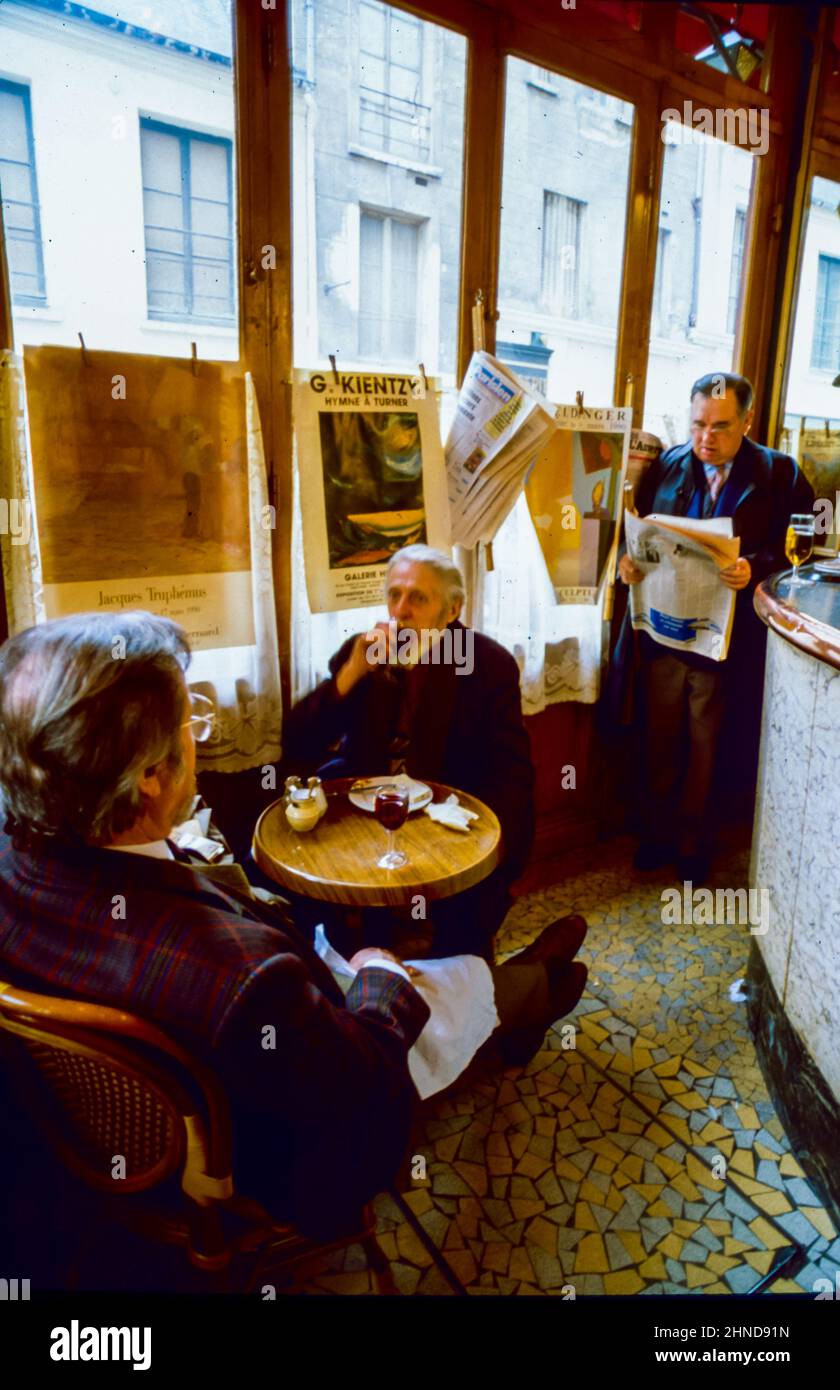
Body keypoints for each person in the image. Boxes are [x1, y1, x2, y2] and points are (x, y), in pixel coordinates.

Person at [0, 612, 587, 1246]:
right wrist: (378, 976)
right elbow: (364, 1093)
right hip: (276, 1156)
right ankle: (536, 987)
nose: (196, 738)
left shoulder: (16, 869)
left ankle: (531, 975)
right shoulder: (247, 980)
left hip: (141, 1127)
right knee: (445, 985)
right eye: (187, 725)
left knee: (409, 970)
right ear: (146, 776)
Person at [283, 544, 536, 959]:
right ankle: (359, 972)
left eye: (418, 597)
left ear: (452, 610)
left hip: (447, 820)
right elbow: (299, 740)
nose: (400, 610)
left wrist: (494, 860)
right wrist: (351, 674)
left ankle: (466, 982)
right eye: (394, 595)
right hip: (368, 819)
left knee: (456, 939)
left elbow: (512, 773)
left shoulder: (488, 665)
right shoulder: (362, 652)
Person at [615, 372, 813, 882]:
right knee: (660, 741)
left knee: (708, 748)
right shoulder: (667, 465)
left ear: (748, 420)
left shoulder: (781, 474)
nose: (707, 437)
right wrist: (627, 563)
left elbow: (808, 547)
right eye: (699, 423)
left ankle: (693, 844)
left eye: (721, 426)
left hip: (727, 641)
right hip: (665, 631)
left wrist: (756, 565)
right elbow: (643, 539)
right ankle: (657, 834)